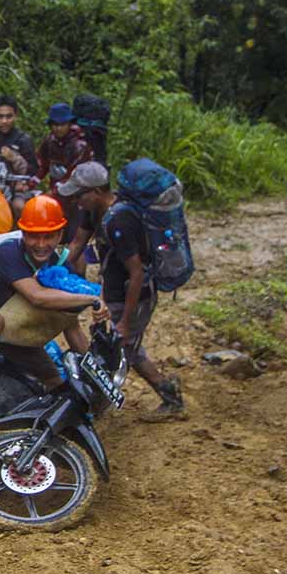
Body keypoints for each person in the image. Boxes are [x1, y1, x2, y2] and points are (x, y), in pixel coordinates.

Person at [0, 194, 110, 419]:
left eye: (49, 237)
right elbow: (37, 296)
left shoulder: (59, 267)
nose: (41, 245)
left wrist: (97, 376)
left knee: (57, 383)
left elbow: (71, 326)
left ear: (60, 235)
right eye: (33, 236)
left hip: (14, 332)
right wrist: (91, 299)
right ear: (23, 233)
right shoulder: (9, 252)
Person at [60, 161, 186, 421]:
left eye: (79, 195)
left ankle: (93, 410)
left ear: (96, 192)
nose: (76, 201)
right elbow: (76, 246)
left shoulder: (121, 222)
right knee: (127, 350)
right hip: (113, 292)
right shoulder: (92, 211)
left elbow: (137, 273)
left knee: (116, 354)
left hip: (135, 297)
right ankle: (168, 392)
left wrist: (126, 322)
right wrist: (50, 272)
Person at [29, 102, 94, 244]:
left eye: (62, 124)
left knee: (73, 238)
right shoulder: (49, 141)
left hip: (77, 196)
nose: (58, 128)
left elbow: (74, 176)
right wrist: (32, 182)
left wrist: (53, 193)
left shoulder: (80, 145)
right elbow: (42, 165)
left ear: (69, 124)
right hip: (57, 194)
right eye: (55, 124)